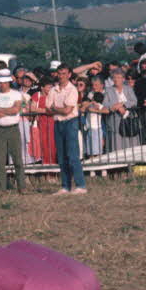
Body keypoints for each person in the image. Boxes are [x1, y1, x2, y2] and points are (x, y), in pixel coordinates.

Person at [0, 69, 25, 192]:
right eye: (0, 83)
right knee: (0, 161)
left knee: (18, 160)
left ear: (8, 82)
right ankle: (2, 188)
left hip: (13, 129)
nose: (1, 85)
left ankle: (21, 187)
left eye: (4, 82)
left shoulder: (16, 94)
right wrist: (9, 110)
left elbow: (16, 110)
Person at [49, 64, 86, 194]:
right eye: (59, 73)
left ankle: (80, 185)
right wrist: (59, 108)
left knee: (72, 155)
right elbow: (48, 107)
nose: (61, 76)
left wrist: (56, 108)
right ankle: (65, 186)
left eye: (64, 73)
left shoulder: (72, 90)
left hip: (70, 122)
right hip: (58, 123)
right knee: (62, 156)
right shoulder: (53, 90)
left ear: (69, 75)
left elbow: (67, 110)